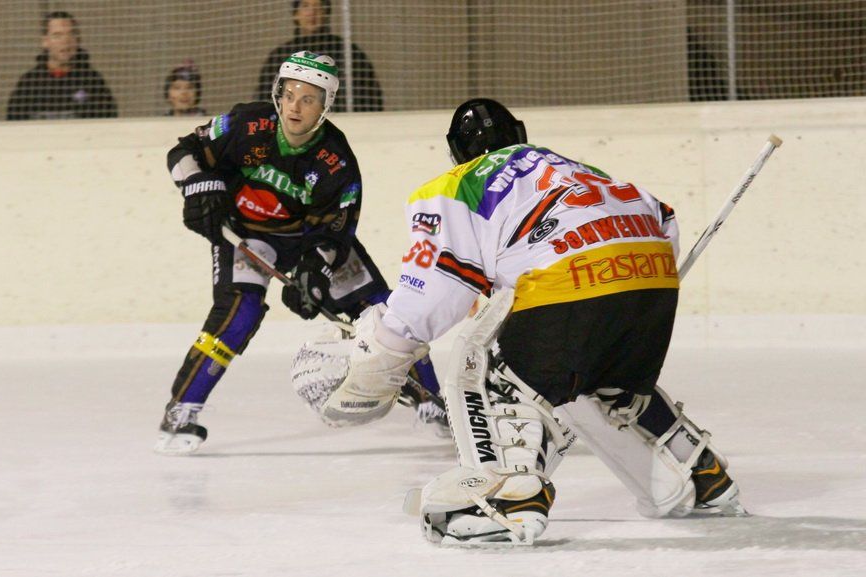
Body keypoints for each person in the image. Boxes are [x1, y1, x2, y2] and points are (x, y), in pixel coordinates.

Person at [300, 98, 746, 545]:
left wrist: (386, 348)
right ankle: (698, 475)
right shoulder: (582, 171)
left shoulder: (458, 183)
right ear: (519, 134)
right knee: (606, 385)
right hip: (651, 281)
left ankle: (507, 499)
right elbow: (662, 216)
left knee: (486, 371)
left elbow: (435, 289)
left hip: (572, 281)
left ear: (455, 151)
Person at [155, 51, 441, 455]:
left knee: (380, 309)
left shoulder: (336, 160)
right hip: (247, 235)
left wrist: (315, 270)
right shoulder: (246, 124)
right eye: (289, 95)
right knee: (238, 315)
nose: (295, 107)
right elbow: (184, 151)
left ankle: (432, 401)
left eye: (308, 99)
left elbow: (337, 230)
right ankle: (181, 410)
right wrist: (199, 187)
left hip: (309, 239)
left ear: (325, 106)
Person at [255, 0, 383, 112]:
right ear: (295, 14)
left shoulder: (348, 52)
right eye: (305, 6)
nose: (312, 12)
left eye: (319, 7)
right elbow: (266, 96)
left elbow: (370, 96)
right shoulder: (280, 55)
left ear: (326, 14)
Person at [6, 11, 117, 120]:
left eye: (71, 34)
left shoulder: (93, 82)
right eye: (57, 35)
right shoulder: (29, 83)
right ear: (45, 42)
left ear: (78, 40)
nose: (65, 41)